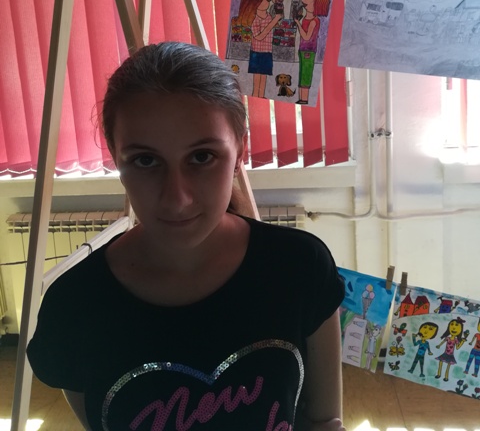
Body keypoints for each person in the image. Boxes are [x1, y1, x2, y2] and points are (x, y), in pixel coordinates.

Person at [27, 42, 345, 431]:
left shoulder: (299, 268)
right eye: (146, 160)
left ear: (239, 151)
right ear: (115, 157)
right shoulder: (74, 306)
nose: (177, 199)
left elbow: (325, 421)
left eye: (202, 157)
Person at [235, 0, 282, 98]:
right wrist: (274, 21)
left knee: (264, 75)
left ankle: (261, 95)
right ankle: (256, 94)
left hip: (267, 51)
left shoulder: (268, 16)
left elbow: (269, 31)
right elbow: (259, 36)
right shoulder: (254, 19)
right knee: (257, 76)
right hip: (257, 53)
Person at [295, 0, 331, 105]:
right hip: (303, 50)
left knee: (306, 75)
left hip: (308, 52)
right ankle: (302, 98)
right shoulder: (306, 18)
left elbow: (306, 36)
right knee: (302, 74)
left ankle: (304, 99)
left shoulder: (314, 21)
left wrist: (298, 23)